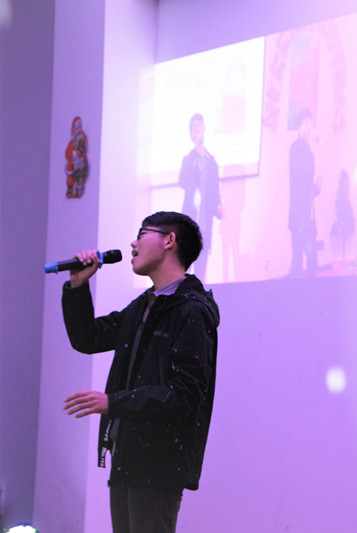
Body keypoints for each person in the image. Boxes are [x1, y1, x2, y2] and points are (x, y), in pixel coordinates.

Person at [62, 211, 219, 533]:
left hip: (159, 462)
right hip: (127, 455)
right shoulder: (145, 306)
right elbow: (87, 338)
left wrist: (113, 402)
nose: (133, 244)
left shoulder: (191, 310)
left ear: (169, 240)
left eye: (142, 234)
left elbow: (186, 392)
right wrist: (78, 284)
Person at [179, 113, 224, 282]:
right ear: (191, 135)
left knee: (200, 272)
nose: (199, 131)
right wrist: (196, 154)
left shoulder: (212, 163)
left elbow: (215, 190)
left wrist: (219, 206)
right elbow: (183, 182)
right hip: (189, 222)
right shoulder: (188, 159)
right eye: (195, 129)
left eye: (201, 127)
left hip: (205, 222)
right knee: (183, 269)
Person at [288, 108, 321, 276]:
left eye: (311, 124)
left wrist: (316, 189)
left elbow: (306, 187)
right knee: (297, 264)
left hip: (309, 216)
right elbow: (299, 175)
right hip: (298, 216)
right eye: (305, 123)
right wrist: (311, 151)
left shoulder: (308, 151)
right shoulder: (296, 149)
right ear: (299, 128)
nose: (309, 128)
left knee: (313, 261)